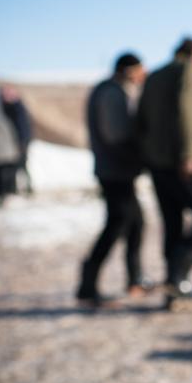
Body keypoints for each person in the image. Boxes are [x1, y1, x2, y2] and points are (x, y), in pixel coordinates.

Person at [138, 37, 192, 309]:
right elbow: (186, 112)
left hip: (157, 163)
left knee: (171, 223)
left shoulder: (153, 76)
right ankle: (179, 274)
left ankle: (173, 290)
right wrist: (188, 155)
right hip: (181, 163)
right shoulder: (186, 70)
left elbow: (142, 120)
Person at [76, 52, 151, 307]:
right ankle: (88, 284)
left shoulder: (111, 90)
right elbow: (116, 135)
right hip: (114, 172)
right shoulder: (112, 93)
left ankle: (135, 278)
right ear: (130, 71)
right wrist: (139, 156)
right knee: (116, 225)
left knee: (135, 223)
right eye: (141, 71)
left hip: (117, 170)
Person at [0, 83, 33, 195]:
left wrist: (22, 142)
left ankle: (26, 189)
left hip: (20, 142)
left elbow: (22, 126)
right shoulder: (10, 107)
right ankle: (18, 189)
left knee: (20, 166)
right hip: (16, 142)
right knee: (15, 167)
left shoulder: (17, 107)